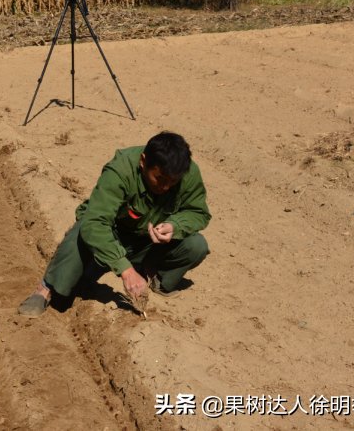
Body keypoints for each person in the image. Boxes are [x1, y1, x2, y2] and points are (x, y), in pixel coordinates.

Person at [18, 132, 212, 317]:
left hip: (147, 242)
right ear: (143, 161)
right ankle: (46, 288)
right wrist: (125, 270)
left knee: (197, 246)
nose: (165, 187)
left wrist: (174, 226)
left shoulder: (187, 172)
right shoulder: (121, 168)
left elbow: (198, 213)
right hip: (113, 234)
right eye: (159, 179)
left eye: (173, 182)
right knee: (82, 230)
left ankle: (155, 275)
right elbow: (96, 223)